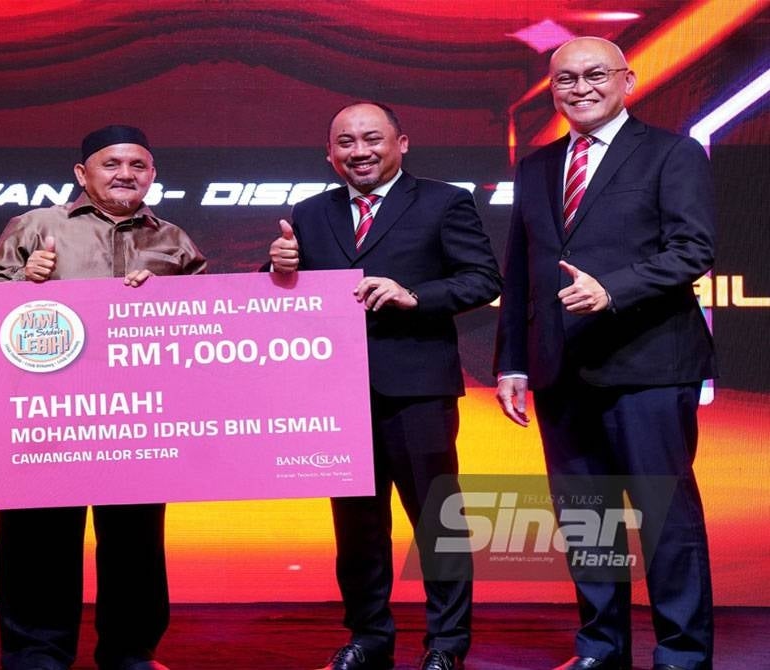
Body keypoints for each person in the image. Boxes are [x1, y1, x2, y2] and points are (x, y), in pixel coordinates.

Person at [494, 37, 715, 670]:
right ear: (552, 88)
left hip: (649, 364)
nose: (581, 88)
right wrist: (512, 361)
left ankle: (680, 654)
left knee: (662, 517)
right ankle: (601, 649)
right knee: (588, 524)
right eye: (566, 78)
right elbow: (522, 272)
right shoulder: (537, 167)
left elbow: (693, 248)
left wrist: (613, 290)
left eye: (595, 75)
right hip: (562, 370)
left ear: (628, 80)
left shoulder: (672, 154)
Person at [269, 102, 501, 670]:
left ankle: (446, 645)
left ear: (402, 143)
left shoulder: (447, 201)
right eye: (345, 143)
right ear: (329, 153)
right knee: (356, 526)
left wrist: (415, 296)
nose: (359, 151)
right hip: (335, 394)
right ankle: (369, 637)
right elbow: (291, 303)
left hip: (418, 386)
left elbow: (483, 279)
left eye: (372, 139)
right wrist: (276, 272)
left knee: (437, 521)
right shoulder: (309, 212)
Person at [0, 125, 206, 670]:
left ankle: (131, 651)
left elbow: (206, 319)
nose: (126, 174)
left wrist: (169, 295)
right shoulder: (37, 226)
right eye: (111, 164)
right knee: (38, 540)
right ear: (82, 174)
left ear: (151, 175)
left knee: (135, 543)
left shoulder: (172, 239)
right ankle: (36, 652)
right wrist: (22, 281)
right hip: (47, 412)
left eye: (138, 166)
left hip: (138, 417)